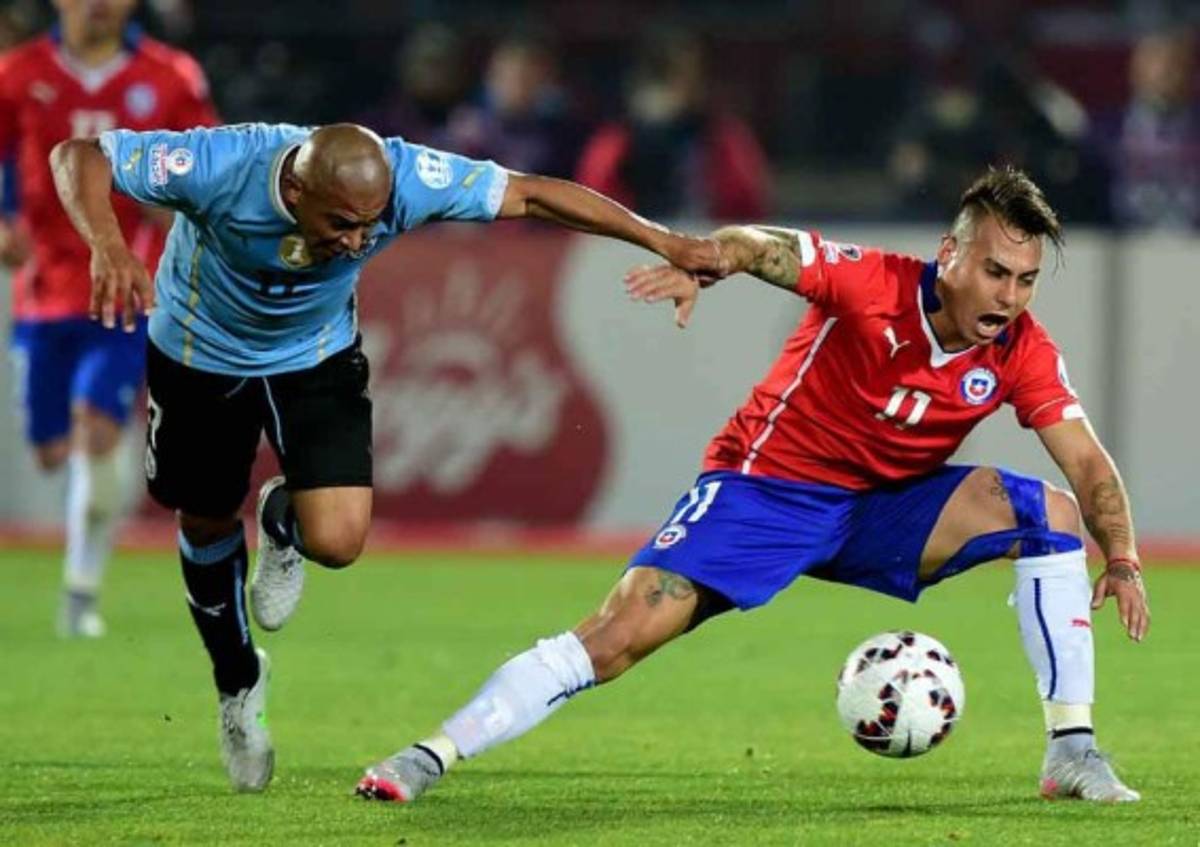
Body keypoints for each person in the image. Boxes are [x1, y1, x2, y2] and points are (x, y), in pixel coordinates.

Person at [357, 167, 1149, 805]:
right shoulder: (871, 284)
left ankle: (1071, 750)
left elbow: (1087, 463)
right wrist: (714, 255)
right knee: (618, 637)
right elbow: (768, 246)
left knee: (1049, 513)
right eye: (996, 271)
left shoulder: (1020, 348)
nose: (1009, 297)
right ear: (951, 254)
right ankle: (431, 752)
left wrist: (1121, 559)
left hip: (883, 509)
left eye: (1026, 280)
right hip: (766, 492)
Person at [50, 121, 724, 792]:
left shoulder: (407, 178)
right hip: (198, 352)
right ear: (293, 187)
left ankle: (283, 520)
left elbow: (533, 195)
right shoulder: (223, 163)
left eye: (369, 225)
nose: (355, 241)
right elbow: (79, 153)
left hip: (314, 356)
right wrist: (107, 243)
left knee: (339, 540)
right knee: (203, 520)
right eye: (341, 223)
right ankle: (238, 680)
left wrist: (663, 239)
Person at [0, 0, 217, 637]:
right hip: (43, 293)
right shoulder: (18, 74)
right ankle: (85, 472)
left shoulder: (171, 75)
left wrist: (176, 209)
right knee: (49, 448)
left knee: (97, 426)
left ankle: (80, 589)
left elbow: (206, 166)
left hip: (127, 287)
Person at [575, 30, 769, 220]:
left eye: (695, 76)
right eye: (676, 76)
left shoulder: (721, 137)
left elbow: (749, 202)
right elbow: (592, 206)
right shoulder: (618, 141)